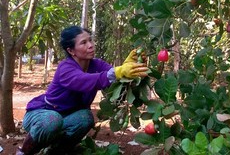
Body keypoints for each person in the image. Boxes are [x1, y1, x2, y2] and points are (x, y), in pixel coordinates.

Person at [16, 26, 149, 155]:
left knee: (85, 118)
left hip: (69, 117)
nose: (90, 45)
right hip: (43, 114)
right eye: (83, 43)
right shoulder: (65, 68)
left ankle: (56, 151)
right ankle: (24, 152)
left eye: (90, 40)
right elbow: (85, 80)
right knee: (53, 121)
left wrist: (127, 67)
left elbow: (113, 79)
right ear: (71, 51)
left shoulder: (97, 64)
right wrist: (118, 71)